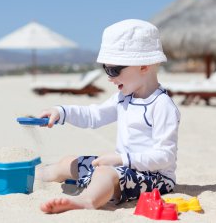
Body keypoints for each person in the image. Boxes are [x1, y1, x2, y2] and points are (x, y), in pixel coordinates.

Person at [36, 19, 180, 214]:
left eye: (114, 70)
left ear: (144, 65)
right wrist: (62, 112)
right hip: (122, 167)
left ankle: (86, 200)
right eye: (106, 69)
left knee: (104, 172)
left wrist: (122, 159)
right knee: (69, 162)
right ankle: (34, 176)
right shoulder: (124, 98)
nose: (109, 77)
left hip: (155, 177)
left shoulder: (162, 105)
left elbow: (165, 156)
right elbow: (94, 115)